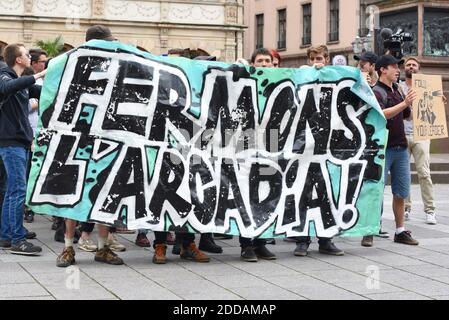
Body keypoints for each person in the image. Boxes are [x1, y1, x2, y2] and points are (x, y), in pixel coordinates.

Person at [56, 25, 124, 267]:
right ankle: (67, 247)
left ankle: (103, 248)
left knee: (105, 192)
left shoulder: (111, 64)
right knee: (73, 194)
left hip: (106, 138)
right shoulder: (73, 63)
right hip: (78, 138)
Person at [363, 55, 420, 248]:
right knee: (376, 190)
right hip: (382, 149)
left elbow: (407, 117)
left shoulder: (397, 89)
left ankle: (400, 230)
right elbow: (381, 114)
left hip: (401, 148)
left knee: (401, 192)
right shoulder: (376, 92)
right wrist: (404, 103)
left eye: (398, 66)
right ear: (382, 70)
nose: (398, 70)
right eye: (394, 66)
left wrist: (415, 102)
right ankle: (369, 229)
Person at [293, 45, 345, 257]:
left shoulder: (335, 79)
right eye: (314, 58)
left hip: (326, 148)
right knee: (302, 195)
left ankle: (326, 239)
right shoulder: (300, 77)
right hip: (303, 148)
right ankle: (301, 240)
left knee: (326, 195)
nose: (317, 61)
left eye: (321, 58)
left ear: (327, 58)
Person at [0, 43, 45, 255]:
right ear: (18, 59)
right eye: (27, 54)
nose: (30, 57)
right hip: (10, 143)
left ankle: (6, 236)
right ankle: (18, 240)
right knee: (17, 191)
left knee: (11, 191)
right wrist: (40, 74)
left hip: (19, 142)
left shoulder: (21, 83)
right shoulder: (4, 74)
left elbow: (45, 92)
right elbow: (7, 88)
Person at [400, 57, 437, 225]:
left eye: (414, 65)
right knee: (403, 174)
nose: (411, 67)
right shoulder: (398, 87)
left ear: (419, 68)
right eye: (408, 65)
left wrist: (439, 102)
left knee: (424, 173)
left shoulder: (428, 87)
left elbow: (435, 107)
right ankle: (406, 208)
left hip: (421, 134)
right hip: (401, 134)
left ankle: (430, 210)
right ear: (404, 68)